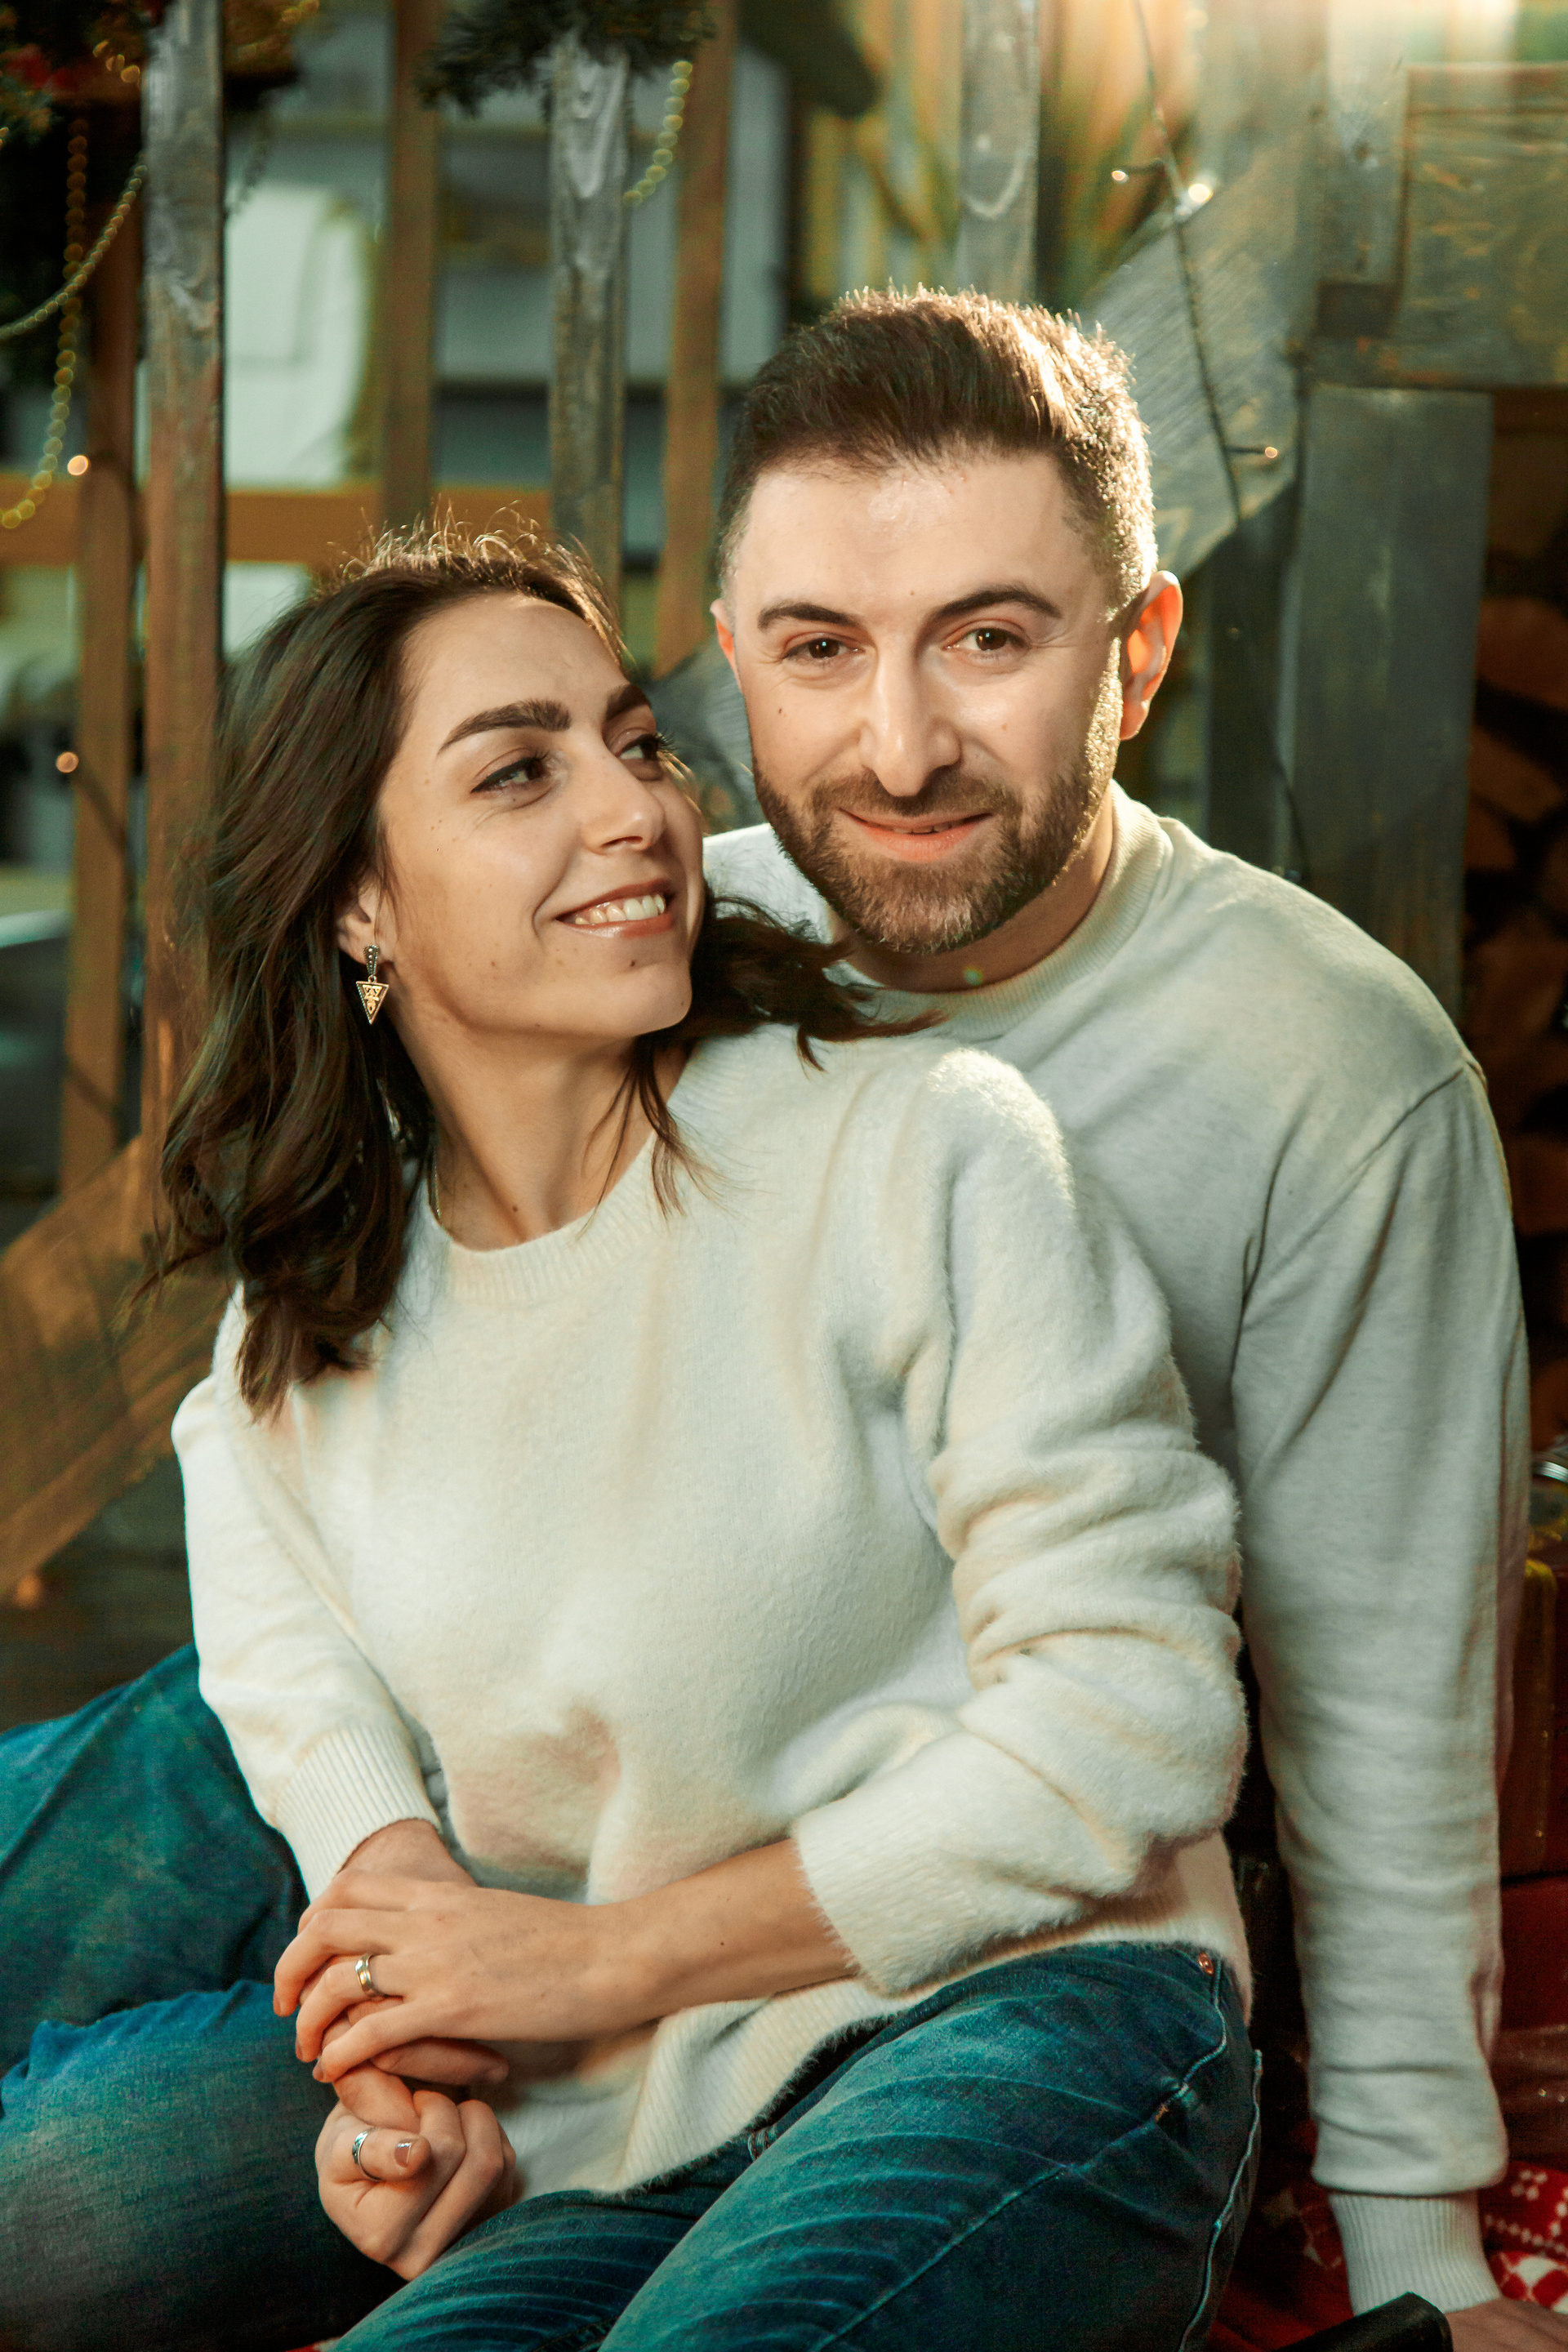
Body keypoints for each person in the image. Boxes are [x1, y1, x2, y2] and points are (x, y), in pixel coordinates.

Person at [0, 529, 1256, 2350]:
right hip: (611, 2105)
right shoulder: (316, 1316)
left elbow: (1138, 1719)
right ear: (357, 905)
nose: (636, 813)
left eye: (635, 743)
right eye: (520, 772)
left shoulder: (920, 1149)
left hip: (1024, 2010)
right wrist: (399, 2000)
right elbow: (285, 1658)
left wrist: (587, 1963)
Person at [694, 287, 1537, 2348]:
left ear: (1139, 653)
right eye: (819, 649)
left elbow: (1386, 1688)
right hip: (612, 1908)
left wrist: (1417, 2246)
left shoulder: (1335, 1067)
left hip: (1027, 1975)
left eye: (990, 639)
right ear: (730, 655)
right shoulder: (644, 953)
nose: (900, 747)